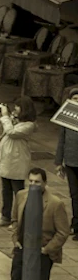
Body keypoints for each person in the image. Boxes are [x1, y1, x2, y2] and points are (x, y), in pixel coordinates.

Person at [0, 167, 71, 280]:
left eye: (37, 182)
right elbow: (14, 220)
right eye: (31, 181)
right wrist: (15, 240)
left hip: (42, 253)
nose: (34, 184)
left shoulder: (56, 204)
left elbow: (63, 232)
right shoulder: (21, 196)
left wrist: (46, 249)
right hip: (22, 249)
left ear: (45, 183)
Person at [0, 98, 37, 222]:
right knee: (5, 190)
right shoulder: (15, 120)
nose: (16, 109)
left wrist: (5, 116)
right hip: (7, 160)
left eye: (18, 107)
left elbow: (11, 132)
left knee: (18, 191)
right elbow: (4, 130)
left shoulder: (29, 125)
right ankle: (5, 215)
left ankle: (19, 218)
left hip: (17, 160)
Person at [56, 89, 78, 220]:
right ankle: (75, 223)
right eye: (75, 99)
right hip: (70, 162)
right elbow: (61, 140)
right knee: (74, 194)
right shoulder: (66, 118)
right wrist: (59, 162)